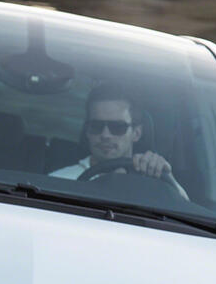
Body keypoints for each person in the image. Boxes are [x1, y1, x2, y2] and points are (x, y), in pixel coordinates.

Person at [50, 83, 188, 200]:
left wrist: (169, 179)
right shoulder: (59, 182)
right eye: (96, 126)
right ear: (87, 131)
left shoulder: (155, 182)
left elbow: (186, 214)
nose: (105, 135)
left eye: (117, 127)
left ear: (136, 133)